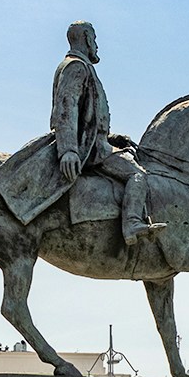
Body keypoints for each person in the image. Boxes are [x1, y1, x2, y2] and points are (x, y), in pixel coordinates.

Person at [51, 21, 165, 246]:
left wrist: (112, 138)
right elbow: (66, 109)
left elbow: (87, 119)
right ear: (85, 38)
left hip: (97, 142)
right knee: (138, 175)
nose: (96, 44)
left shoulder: (80, 66)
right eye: (93, 39)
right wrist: (68, 150)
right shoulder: (76, 66)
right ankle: (131, 223)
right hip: (92, 150)